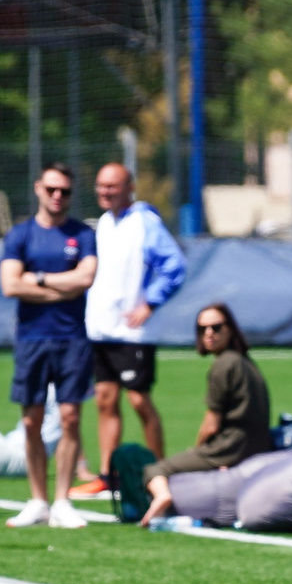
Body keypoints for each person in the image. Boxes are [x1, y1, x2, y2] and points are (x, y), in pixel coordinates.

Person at [0, 162, 98, 529]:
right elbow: (10, 285)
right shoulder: (21, 235)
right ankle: (38, 499)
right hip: (32, 338)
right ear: (39, 188)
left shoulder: (83, 233)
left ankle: (63, 501)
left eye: (65, 191)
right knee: (31, 421)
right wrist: (62, 286)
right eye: (52, 189)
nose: (58, 197)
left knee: (71, 418)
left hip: (72, 337)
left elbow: (86, 278)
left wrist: (37, 279)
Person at [79, 162, 185, 495]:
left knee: (139, 401)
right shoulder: (102, 225)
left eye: (112, 186)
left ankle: (159, 470)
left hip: (133, 334)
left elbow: (174, 265)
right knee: (105, 400)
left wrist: (149, 304)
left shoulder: (145, 223)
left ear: (130, 187)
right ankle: (108, 475)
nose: (105, 192)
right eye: (101, 186)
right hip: (100, 330)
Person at [139, 305, 272, 526]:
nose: (209, 334)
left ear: (229, 329)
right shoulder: (245, 362)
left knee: (156, 469)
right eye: (202, 329)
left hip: (230, 447)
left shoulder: (224, 365)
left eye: (216, 327)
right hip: (256, 445)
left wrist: (198, 449)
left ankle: (162, 497)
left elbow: (211, 424)